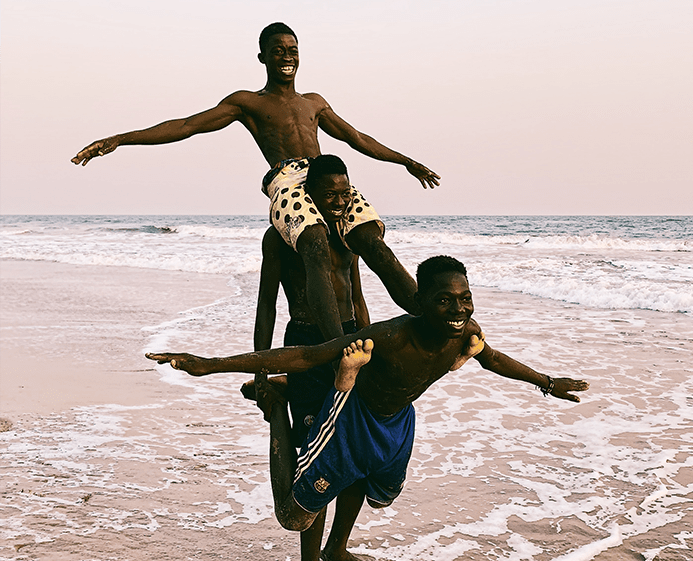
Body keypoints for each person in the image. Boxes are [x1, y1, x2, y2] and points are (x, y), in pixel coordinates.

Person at [147, 255, 589, 561]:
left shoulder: (466, 332)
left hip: (396, 421)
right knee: (299, 508)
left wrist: (547, 383)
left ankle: (336, 549)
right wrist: (211, 363)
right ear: (419, 302)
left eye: (465, 298)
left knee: (372, 487)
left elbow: (493, 359)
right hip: (352, 413)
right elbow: (309, 354)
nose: (458, 308)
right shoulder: (392, 336)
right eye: (444, 300)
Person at [72, 22, 439, 341]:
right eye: (277, 51)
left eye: (293, 50)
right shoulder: (248, 102)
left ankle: (431, 318)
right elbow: (186, 126)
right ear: (262, 57)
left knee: (371, 239)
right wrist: (120, 139)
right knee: (314, 244)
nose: (286, 57)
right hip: (288, 180)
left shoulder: (314, 103)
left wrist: (405, 161)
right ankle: (337, 345)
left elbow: (355, 137)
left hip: (328, 176)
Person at [244, 153, 376, 561]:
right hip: (307, 346)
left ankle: (337, 548)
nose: (340, 203)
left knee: (358, 454)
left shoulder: (349, 232)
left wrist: (368, 339)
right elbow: (266, 306)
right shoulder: (283, 238)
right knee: (315, 460)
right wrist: (262, 371)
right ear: (307, 194)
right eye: (330, 195)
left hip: (354, 346)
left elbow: (356, 289)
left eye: (346, 194)